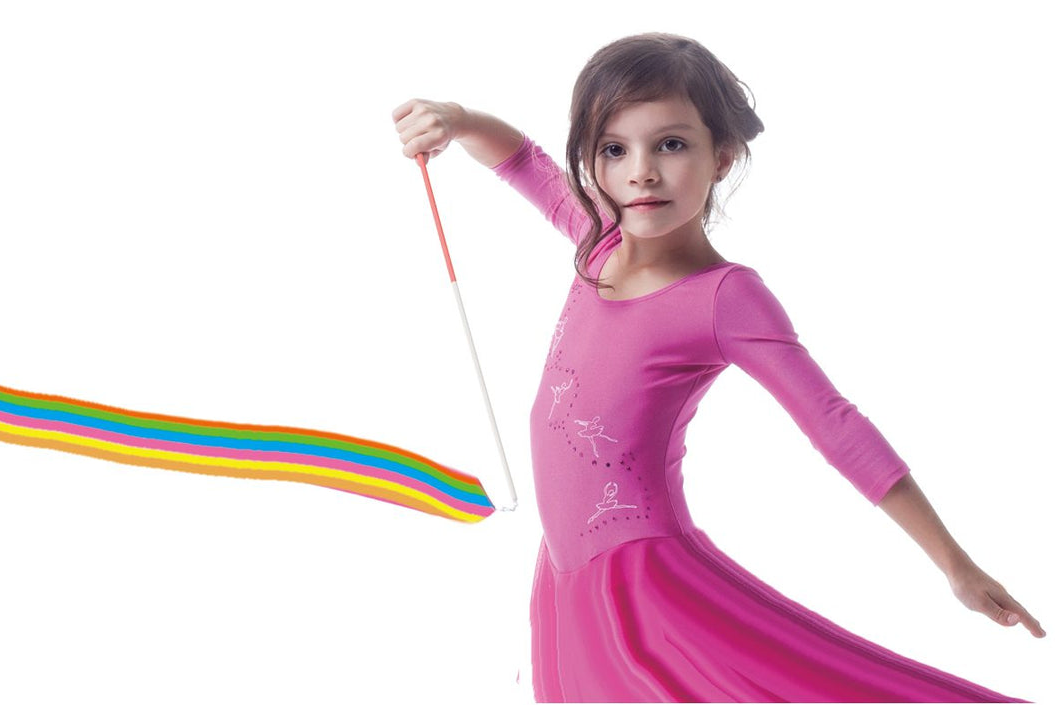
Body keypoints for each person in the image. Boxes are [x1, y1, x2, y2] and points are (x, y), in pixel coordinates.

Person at [392, 32, 1044, 703]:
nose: (640, 171)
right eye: (614, 149)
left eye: (670, 145)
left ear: (722, 156)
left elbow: (837, 426)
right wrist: (457, 119)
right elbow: (521, 159)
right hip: (565, 575)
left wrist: (954, 564)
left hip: (644, 583)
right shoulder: (597, 241)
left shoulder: (723, 297)